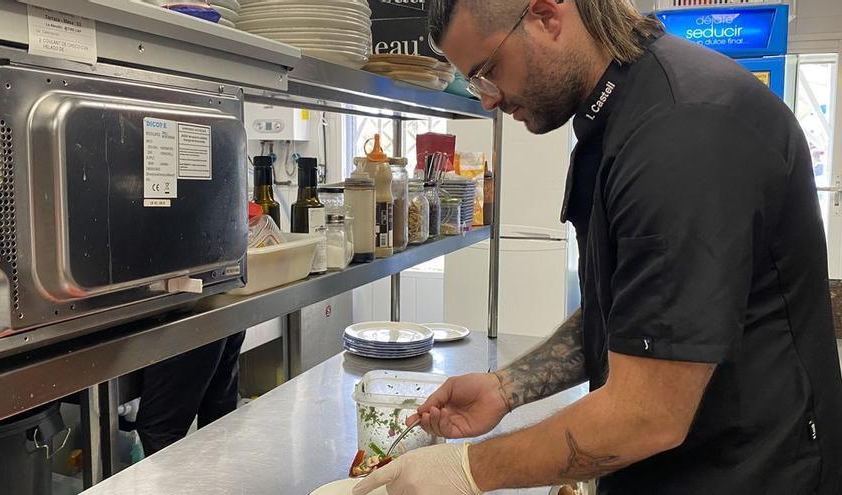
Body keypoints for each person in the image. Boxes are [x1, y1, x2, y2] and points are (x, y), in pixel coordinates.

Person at [354, 1, 842, 494]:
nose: (487, 99)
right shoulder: (616, 112)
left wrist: (466, 470)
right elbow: (637, 313)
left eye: (488, 71)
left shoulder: (684, 130)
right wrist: (508, 386)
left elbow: (648, 415)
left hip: (747, 473)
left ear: (546, 15)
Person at [136, 331, 245, 456]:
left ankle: (177, 476)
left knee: (160, 431)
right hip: (222, 318)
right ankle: (214, 474)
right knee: (218, 421)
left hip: (187, 324)